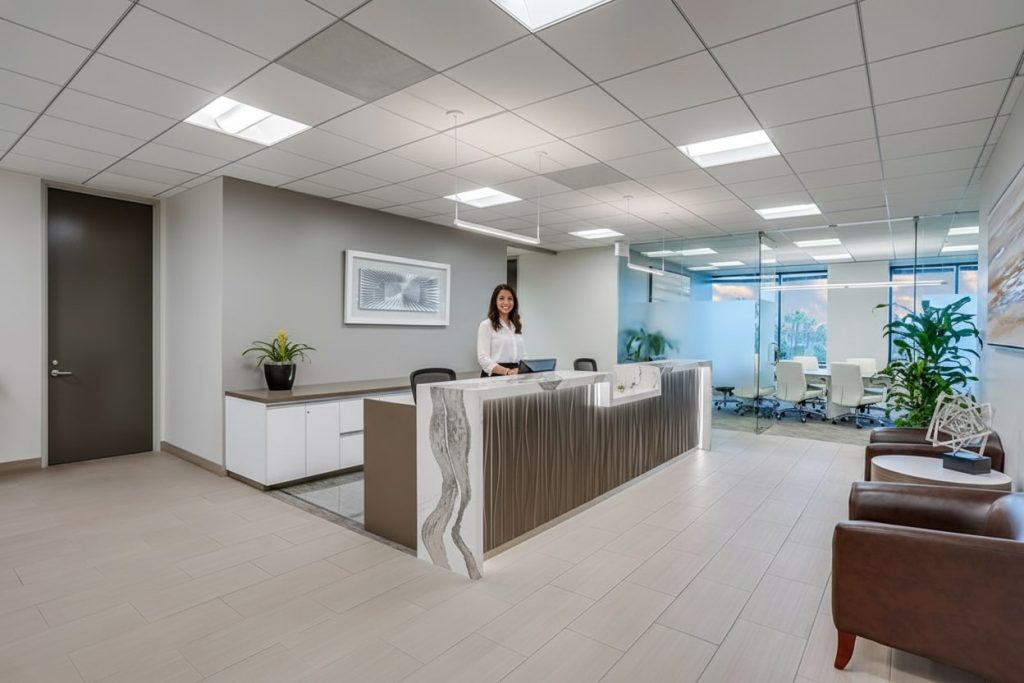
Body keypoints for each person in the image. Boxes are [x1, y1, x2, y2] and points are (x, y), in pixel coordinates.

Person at [477, 283, 526, 377]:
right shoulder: (486, 325)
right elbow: (483, 358)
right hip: (495, 375)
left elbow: (523, 355)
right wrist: (506, 371)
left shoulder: (517, 325)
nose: (506, 302)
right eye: (501, 298)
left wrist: (525, 368)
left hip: (515, 375)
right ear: (495, 301)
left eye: (510, 298)